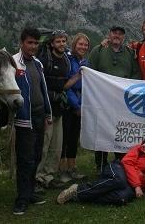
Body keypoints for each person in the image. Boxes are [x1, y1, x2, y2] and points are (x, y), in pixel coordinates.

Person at [56, 126, 145, 205]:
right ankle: (77, 190)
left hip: (133, 183)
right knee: (119, 180)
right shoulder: (140, 149)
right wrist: (137, 186)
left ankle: (79, 196)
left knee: (121, 198)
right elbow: (127, 163)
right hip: (119, 169)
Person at [12, 27, 53, 215]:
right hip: (23, 118)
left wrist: (47, 114)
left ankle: (29, 193)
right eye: (30, 42)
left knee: (36, 156)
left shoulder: (37, 64)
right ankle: (21, 198)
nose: (33, 46)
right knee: (25, 159)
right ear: (22, 43)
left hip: (38, 116)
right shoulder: (13, 63)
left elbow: (42, 89)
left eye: (36, 43)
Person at [88, 26, 141, 171]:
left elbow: (136, 74)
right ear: (109, 35)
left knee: (122, 129)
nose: (117, 36)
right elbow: (90, 72)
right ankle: (101, 165)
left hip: (123, 100)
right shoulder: (98, 51)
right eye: (114, 33)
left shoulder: (130, 53)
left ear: (124, 37)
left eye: (120, 34)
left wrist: (129, 90)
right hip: (102, 99)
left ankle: (121, 163)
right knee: (102, 130)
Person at [35, 30, 70, 188]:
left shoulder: (66, 60)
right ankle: (37, 176)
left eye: (63, 41)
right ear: (51, 43)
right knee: (44, 144)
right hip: (46, 109)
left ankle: (48, 176)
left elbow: (64, 83)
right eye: (58, 41)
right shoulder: (44, 60)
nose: (62, 44)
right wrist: (53, 95)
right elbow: (38, 84)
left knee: (56, 145)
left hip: (59, 110)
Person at [58, 33, 90, 183]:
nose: (83, 47)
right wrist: (76, 105)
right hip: (68, 105)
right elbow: (66, 86)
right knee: (64, 138)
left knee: (73, 138)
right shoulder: (68, 60)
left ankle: (72, 168)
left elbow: (88, 85)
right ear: (74, 45)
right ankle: (62, 170)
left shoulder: (85, 62)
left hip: (80, 104)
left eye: (85, 45)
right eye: (80, 44)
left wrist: (82, 104)